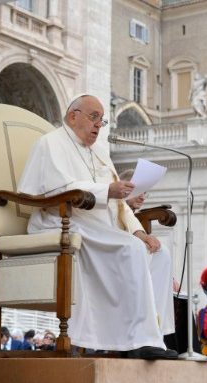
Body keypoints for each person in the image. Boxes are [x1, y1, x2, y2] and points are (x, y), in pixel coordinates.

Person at [18, 94, 177, 360]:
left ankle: (153, 336)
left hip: (99, 227)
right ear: (73, 116)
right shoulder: (50, 144)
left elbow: (119, 201)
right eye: (93, 117)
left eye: (101, 121)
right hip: (61, 220)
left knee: (159, 254)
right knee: (131, 249)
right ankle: (138, 340)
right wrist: (106, 190)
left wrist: (138, 230)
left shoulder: (100, 155)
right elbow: (57, 189)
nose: (97, 125)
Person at [118, 169, 175, 337]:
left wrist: (168, 275)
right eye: (139, 191)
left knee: (163, 254)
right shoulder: (114, 208)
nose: (143, 197)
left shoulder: (135, 217)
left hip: (135, 264)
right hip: (117, 264)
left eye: (145, 193)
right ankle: (147, 332)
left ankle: (159, 333)